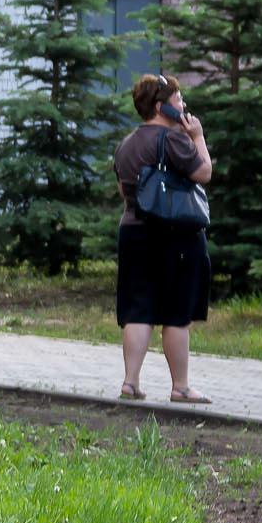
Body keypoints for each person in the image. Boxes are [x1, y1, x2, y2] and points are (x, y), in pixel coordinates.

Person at [112, 73, 214, 404]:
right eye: (178, 101)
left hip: (133, 231)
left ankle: (130, 382)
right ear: (161, 107)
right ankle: (180, 387)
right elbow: (204, 172)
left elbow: (124, 190)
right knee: (175, 313)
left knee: (138, 308)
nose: (183, 106)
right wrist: (197, 136)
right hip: (174, 235)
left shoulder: (126, 144)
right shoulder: (173, 140)